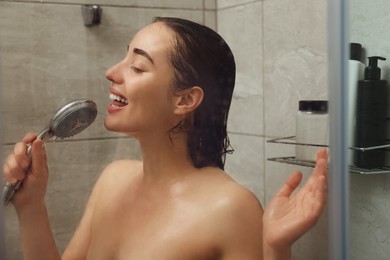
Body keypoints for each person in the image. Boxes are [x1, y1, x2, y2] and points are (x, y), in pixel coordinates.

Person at [3, 17, 328, 260]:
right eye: (124, 57)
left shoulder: (231, 209)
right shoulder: (112, 180)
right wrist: (31, 205)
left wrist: (275, 248)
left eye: (138, 67)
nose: (112, 72)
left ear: (185, 100)